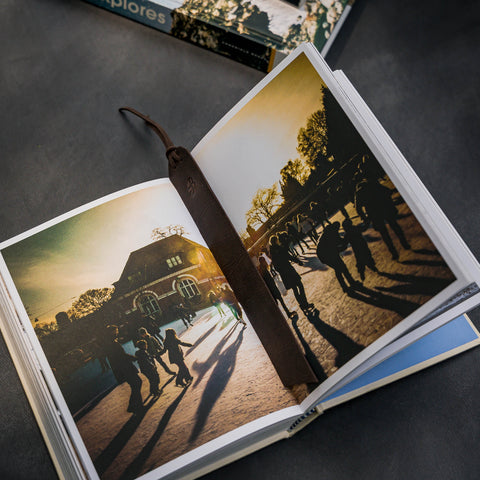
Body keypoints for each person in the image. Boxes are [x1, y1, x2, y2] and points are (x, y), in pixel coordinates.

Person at [355, 177, 411, 260]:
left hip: (374, 214)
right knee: (395, 226)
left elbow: (358, 208)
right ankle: (405, 244)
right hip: (385, 208)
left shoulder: (359, 193)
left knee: (384, 234)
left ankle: (393, 253)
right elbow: (388, 191)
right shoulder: (373, 185)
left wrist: (364, 218)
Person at [269, 234, 314, 313]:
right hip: (289, 270)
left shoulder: (273, 253)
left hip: (285, 274)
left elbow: (276, 266)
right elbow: (288, 256)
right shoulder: (279, 249)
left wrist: (282, 272)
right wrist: (298, 261)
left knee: (295, 289)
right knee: (300, 285)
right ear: (276, 241)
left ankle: (302, 305)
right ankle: (305, 304)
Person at [104, 325, 143, 413]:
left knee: (135, 384)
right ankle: (136, 405)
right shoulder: (113, 344)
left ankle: (134, 405)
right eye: (115, 331)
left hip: (123, 368)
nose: (117, 332)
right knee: (137, 383)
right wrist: (134, 357)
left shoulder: (111, 343)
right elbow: (121, 356)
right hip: (125, 368)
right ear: (111, 333)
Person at [316, 222, 360, 293]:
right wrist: (346, 241)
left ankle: (347, 286)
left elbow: (339, 243)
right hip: (326, 255)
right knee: (340, 268)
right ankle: (349, 285)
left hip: (324, 255)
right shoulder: (331, 234)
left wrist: (344, 242)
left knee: (339, 268)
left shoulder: (329, 232)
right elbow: (336, 246)